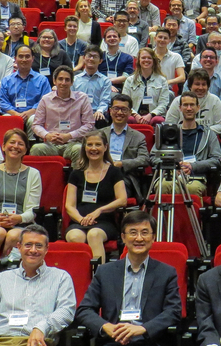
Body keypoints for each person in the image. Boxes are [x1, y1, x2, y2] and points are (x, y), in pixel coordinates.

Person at [76, 211, 181, 346]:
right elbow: (84, 310)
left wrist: (143, 328)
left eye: (144, 233)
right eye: (132, 232)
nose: (139, 238)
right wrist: (106, 327)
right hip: (112, 344)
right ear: (123, 237)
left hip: (148, 345)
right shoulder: (105, 272)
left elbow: (173, 312)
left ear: (153, 237)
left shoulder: (166, 273)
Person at [0, 128, 42, 257]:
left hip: (22, 224)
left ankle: (6, 267)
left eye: (20, 144)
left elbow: (33, 209)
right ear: (3, 146)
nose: (15, 147)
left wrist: (19, 218)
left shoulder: (33, 174)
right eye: (12, 142)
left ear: (25, 149)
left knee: (14, 235)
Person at [64, 131, 127, 262]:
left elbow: (122, 200)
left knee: (94, 234)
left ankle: (99, 277)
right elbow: (69, 206)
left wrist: (100, 210)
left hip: (104, 222)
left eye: (98, 145)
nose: (93, 148)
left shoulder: (114, 172)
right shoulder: (76, 173)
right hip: (79, 221)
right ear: (84, 148)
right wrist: (81, 220)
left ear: (105, 147)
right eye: (90, 145)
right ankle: (79, 277)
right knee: (75, 236)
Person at [151, 91, 221, 198]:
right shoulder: (168, 132)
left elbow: (217, 159)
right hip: (171, 176)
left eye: (192, 105)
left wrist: (193, 166)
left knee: (192, 188)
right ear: (180, 108)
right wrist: (174, 166)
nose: (189, 108)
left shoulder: (208, 133)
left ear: (198, 107)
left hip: (196, 177)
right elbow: (153, 156)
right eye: (185, 105)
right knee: (163, 186)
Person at [31, 66, 95, 164]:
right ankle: (41, 179)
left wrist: (69, 135)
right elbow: (36, 125)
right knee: (36, 148)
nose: (63, 83)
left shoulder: (82, 98)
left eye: (67, 80)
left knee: (79, 149)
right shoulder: (45, 99)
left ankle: (75, 179)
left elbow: (89, 124)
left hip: (73, 143)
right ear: (54, 81)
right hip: (51, 144)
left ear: (72, 82)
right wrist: (47, 135)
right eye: (60, 79)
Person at [100, 94, 150, 202]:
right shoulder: (100, 134)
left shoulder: (138, 137)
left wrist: (121, 164)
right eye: (116, 108)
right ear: (110, 110)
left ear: (130, 112)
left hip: (124, 177)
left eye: (124, 109)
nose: (119, 113)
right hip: (100, 173)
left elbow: (144, 159)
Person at [0, 45, 52, 136]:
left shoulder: (42, 80)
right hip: (12, 114)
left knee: (34, 119)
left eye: (27, 56)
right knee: (6, 118)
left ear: (32, 59)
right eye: (21, 56)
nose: (24, 59)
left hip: (34, 113)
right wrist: (15, 113)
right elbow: (3, 101)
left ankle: (31, 145)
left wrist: (29, 112)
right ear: (15, 59)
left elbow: (45, 101)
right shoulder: (6, 80)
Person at [165, 69, 221, 134]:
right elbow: (169, 125)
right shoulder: (178, 101)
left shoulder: (215, 100)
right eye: (197, 84)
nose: (200, 88)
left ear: (208, 86)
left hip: (207, 139)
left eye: (203, 84)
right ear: (190, 86)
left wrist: (200, 131)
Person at [122, 47, 169, 125]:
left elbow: (163, 104)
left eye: (149, 58)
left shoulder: (162, 80)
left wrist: (150, 115)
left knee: (158, 120)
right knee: (128, 119)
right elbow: (125, 102)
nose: (146, 60)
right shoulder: (130, 80)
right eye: (143, 58)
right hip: (134, 115)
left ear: (153, 61)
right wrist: (135, 115)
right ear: (139, 61)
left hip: (153, 116)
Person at [73, 45, 113, 125]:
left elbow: (105, 101)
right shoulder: (75, 79)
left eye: (95, 57)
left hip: (96, 114)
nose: (91, 59)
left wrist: (99, 111)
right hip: (77, 114)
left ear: (100, 61)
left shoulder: (105, 81)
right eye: (89, 56)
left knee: (101, 120)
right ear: (84, 58)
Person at [99, 26, 135, 90]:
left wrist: (108, 82)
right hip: (100, 86)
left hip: (120, 88)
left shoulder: (128, 58)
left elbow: (126, 76)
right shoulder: (99, 56)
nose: (112, 38)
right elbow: (95, 74)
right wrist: (107, 85)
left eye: (115, 36)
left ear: (120, 39)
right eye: (109, 37)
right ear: (104, 40)